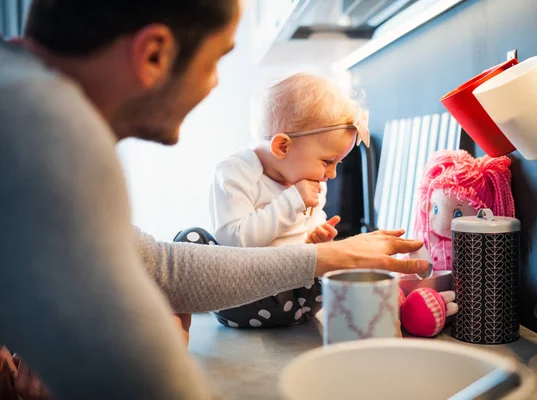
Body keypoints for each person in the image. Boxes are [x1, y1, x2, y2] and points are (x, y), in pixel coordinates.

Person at [0, 1, 429, 399]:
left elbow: (158, 267)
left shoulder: (24, 98)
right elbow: (146, 377)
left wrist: (328, 255)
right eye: (218, 59)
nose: (216, 81)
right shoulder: (48, 131)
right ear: (153, 55)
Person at [206, 72, 369, 328]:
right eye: (328, 162)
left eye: (338, 163)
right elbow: (232, 240)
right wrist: (291, 201)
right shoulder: (235, 171)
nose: (332, 174)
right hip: (244, 298)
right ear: (283, 146)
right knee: (191, 240)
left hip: (294, 301)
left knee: (335, 261)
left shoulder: (311, 182)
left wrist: (316, 239)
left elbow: (304, 239)